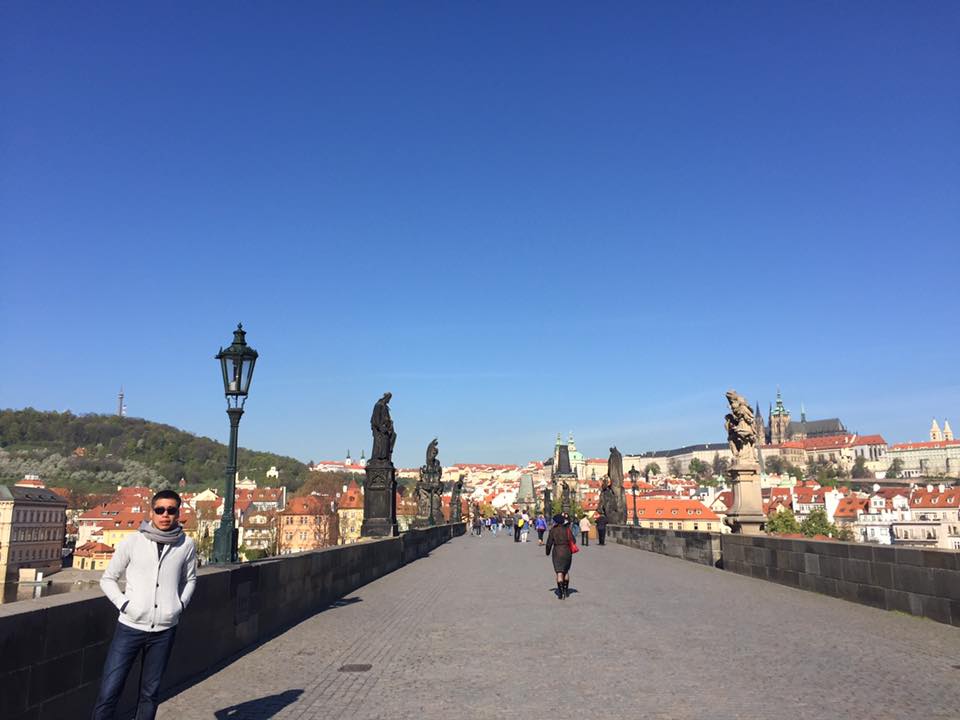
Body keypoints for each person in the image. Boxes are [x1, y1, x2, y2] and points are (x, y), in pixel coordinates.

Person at [92, 490, 197, 720]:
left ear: (178, 513)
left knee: (150, 694)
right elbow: (108, 579)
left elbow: (190, 579)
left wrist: (179, 605)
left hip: (164, 630)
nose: (165, 515)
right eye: (160, 510)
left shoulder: (186, 544)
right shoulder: (133, 541)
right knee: (109, 691)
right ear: (151, 513)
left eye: (171, 510)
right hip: (130, 626)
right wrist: (125, 605)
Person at [545, 514, 574, 599]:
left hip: (557, 552)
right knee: (566, 571)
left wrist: (547, 552)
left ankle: (561, 594)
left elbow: (549, 543)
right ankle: (566, 591)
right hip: (567, 551)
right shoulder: (567, 529)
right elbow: (573, 540)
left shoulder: (553, 530)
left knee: (559, 572)